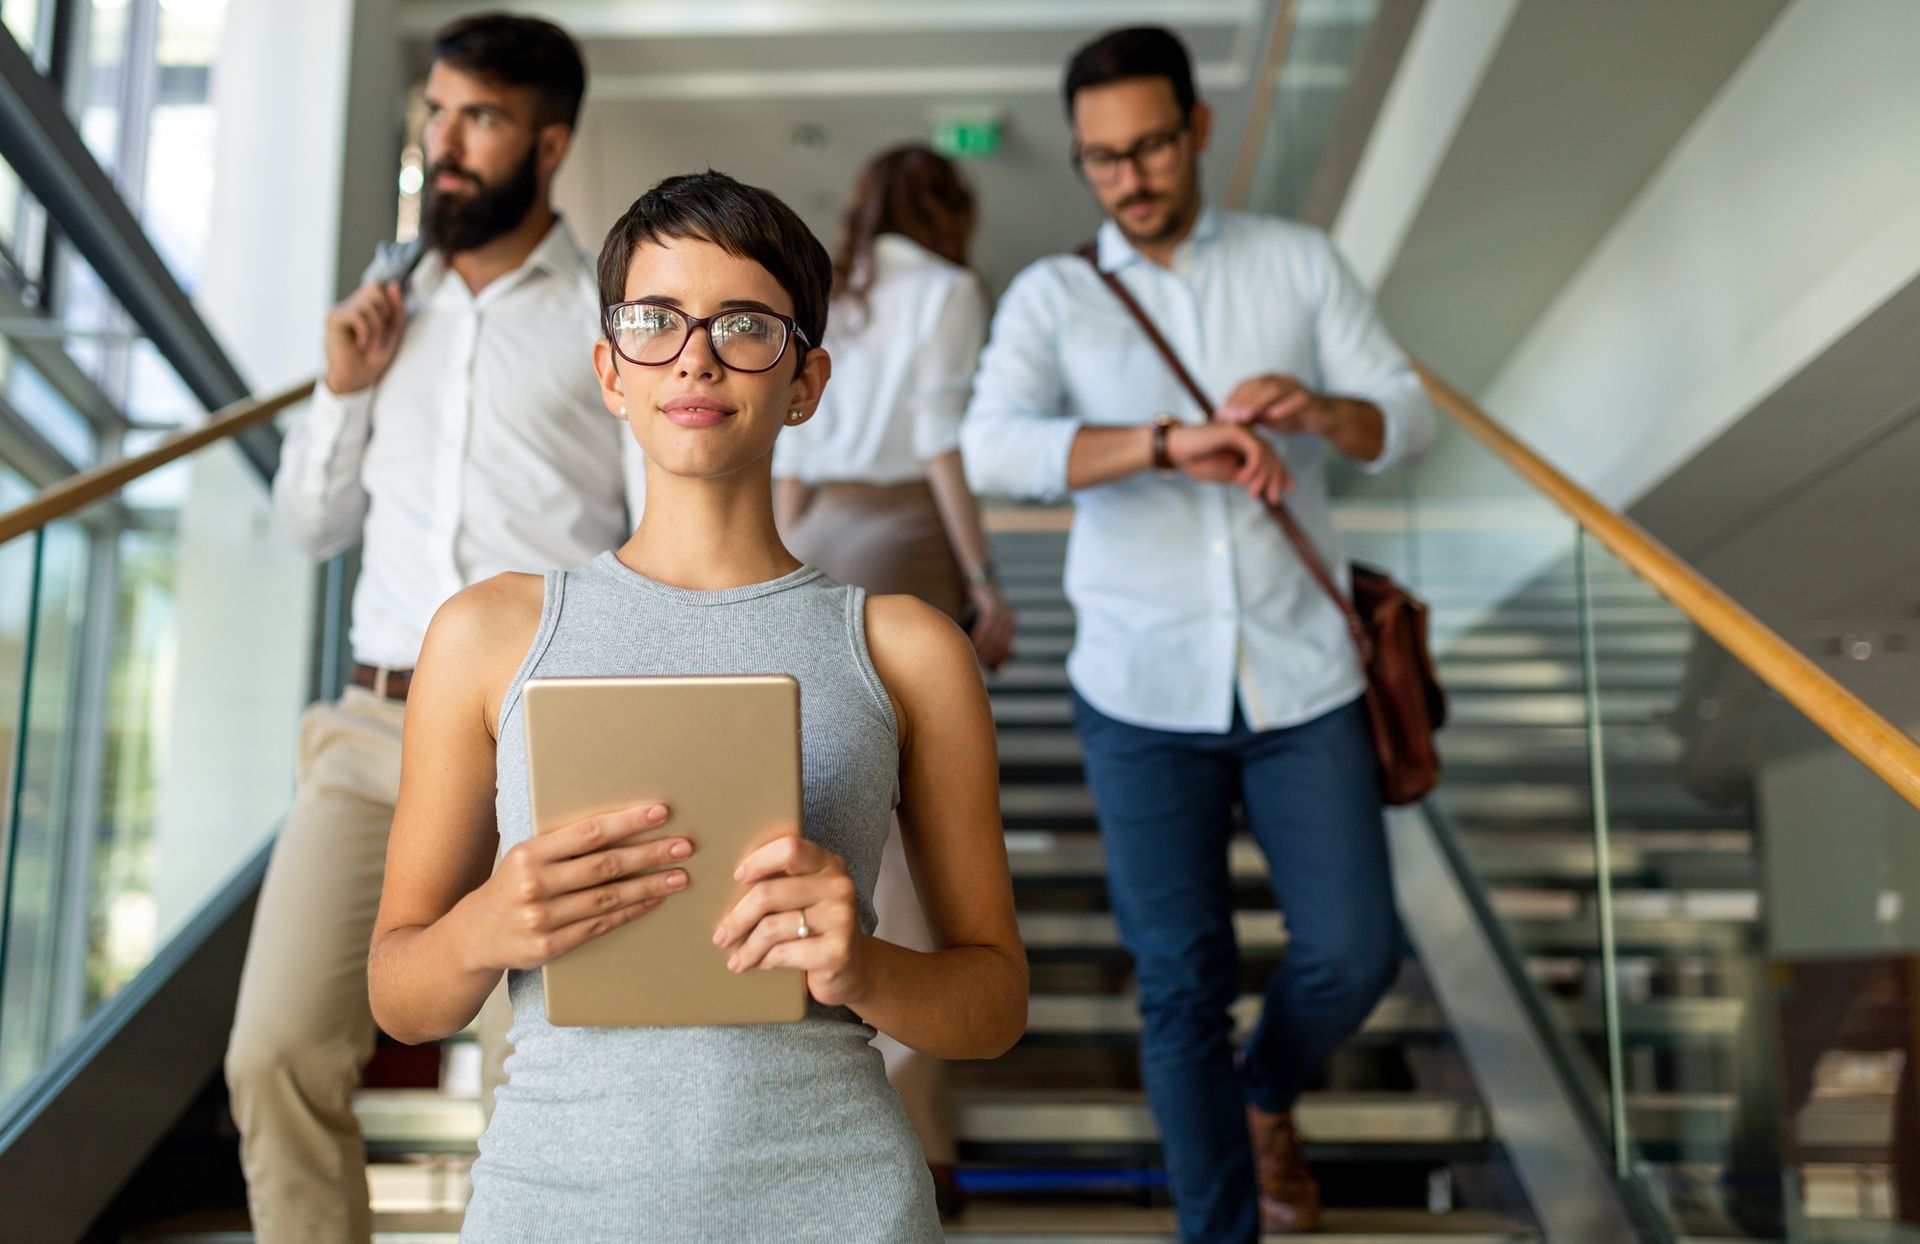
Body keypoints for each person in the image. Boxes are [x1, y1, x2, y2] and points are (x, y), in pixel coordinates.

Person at [366, 170, 1028, 1242]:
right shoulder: (486, 635)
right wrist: (490, 922)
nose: (696, 354)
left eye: (744, 325)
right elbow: (402, 996)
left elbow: (992, 1004)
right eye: (655, 321)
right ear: (609, 369)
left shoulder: (908, 648)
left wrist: (861, 963)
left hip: (837, 1199)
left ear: (807, 379)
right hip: (552, 1201)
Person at [959, 26, 1436, 1242]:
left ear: (1199, 129)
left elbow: (1409, 415)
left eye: (1152, 145)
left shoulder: (1296, 261)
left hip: (1302, 673)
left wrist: (1321, 406)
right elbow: (994, 445)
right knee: (1179, 985)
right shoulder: (1054, 294)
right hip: (1137, 686)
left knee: (1356, 946)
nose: (1130, 176)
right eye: (1103, 158)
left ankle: (1266, 1090)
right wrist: (1166, 441)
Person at [225, 16, 643, 1243]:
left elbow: (653, 529)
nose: (446, 146)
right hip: (371, 734)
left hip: (552, 734)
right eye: (439, 114)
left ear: (550, 142)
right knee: (275, 1051)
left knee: (548, 1085)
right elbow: (312, 526)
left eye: (483, 120)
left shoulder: (608, 316)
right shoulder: (380, 303)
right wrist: (343, 394)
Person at [772, 143, 1015, 1214]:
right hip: (899, 523)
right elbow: (942, 440)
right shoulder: (951, 290)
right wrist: (982, 577)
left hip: (804, 515)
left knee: (817, 782)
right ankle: (916, 1121)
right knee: (915, 825)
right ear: (950, 210)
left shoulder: (837, 284)